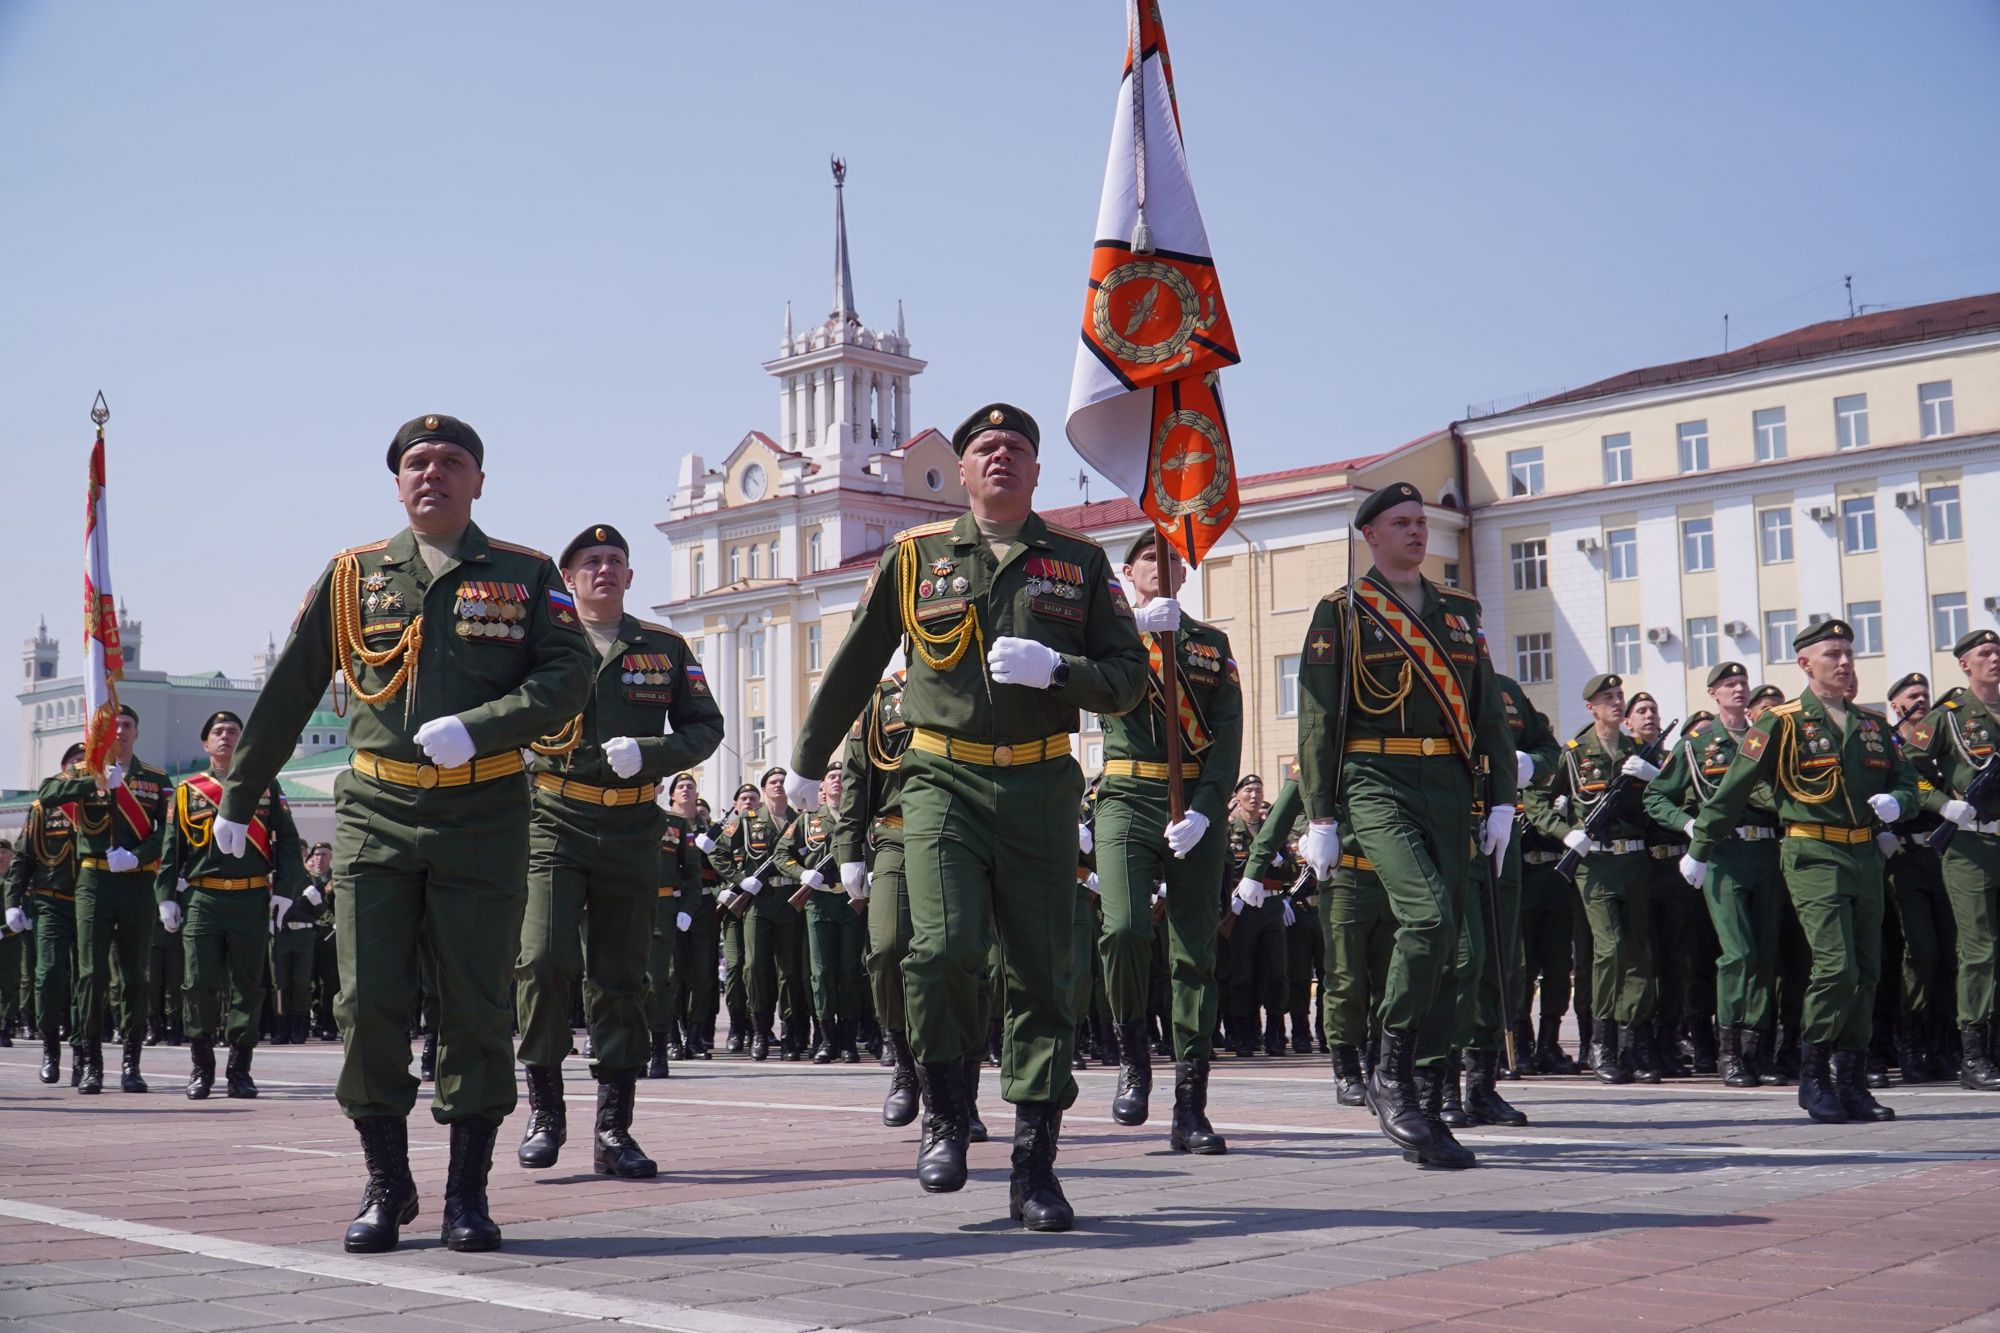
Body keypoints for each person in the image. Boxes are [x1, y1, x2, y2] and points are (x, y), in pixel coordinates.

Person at [214, 413, 593, 1252]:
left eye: (452, 461)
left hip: (484, 812)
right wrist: (240, 795)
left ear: (479, 482)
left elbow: (571, 675)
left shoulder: (527, 575)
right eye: (417, 462)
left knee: (477, 1005)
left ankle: (467, 1194)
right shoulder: (353, 577)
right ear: (396, 482)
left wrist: (488, 726)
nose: (434, 473)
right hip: (376, 813)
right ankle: (388, 1184)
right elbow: (291, 687)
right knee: (369, 1002)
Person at [787, 403, 1147, 1231]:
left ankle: (1036, 1164)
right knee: (940, 950)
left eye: (1017, 448)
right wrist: (809, 757)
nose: (1001, 459)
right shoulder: (915, 558)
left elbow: (1129, 679)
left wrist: (1061, 667)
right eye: (985, 448)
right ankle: (947, 1113)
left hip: (1041, 787)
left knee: (1046, 970)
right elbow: (855, 662)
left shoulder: (1080, 563)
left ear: (1035, 470)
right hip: (940, 781)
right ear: (964, 469)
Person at [1295, 481, 1516, 1170]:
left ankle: (1425, 1093)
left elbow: (1486, 710)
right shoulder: (1344, 612)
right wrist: (1321, 813)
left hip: (1449, 785)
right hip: (1376, 780)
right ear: (1371, 535)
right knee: (1425, 916)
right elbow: (1318, 718)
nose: (1418, 532)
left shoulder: (1460, 612)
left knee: (1458, 947)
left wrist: (1502, 795)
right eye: (1402, 522)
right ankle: (1388, 1067)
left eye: (1422, 522)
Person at [512, 523, 722, 1179]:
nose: (605, 568)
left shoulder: (663, 646)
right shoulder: (539, 646)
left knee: (622, 977)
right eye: (590, 561)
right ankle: (545, 1108)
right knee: (543, 959)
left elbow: (706, 725)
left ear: (631, 577)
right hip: (553, 816)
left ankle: (613, 1128)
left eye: (616, 560)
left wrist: (655, 754)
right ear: (569, 578)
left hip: (633, 826)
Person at [1683, 618, 1917, 1124]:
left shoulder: (1872, 724)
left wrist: (1898, 801)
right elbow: (1735, 789)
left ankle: (1852, 1082)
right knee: (1836, 968)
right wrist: (1700, 847)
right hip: (1812, 853)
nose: (1844, 661)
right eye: (1832, 653)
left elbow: (1909, 780)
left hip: (1863, 856)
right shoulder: (1781, 722)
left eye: (1849, 652)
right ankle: (1813, 1077)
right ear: (1805, 663)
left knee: (1868, 972)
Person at [1092, 531, 1237, 1153]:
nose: (1165, 565)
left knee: (1193, 955)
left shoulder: (1210, 644)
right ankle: (1132, 1055)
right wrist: (1136, 634)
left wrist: (1207, 810)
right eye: (1152, 556)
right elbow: (1087, 690)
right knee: (1124, 929)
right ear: (1128, 571)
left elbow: (1227, 735)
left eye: (1173, 558)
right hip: (1126, 797)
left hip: (1193, 809)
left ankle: (1191, 1103)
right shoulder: (1108, 638)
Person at [155, 710, 305, 1099]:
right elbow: (172, 849)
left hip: (251, 895)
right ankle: (201, 1066)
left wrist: (285, 891)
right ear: (205, 744)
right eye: (218, 732)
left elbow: (288, 842)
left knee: (248, 986)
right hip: (204, 897)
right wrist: (165, 896)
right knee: (198, 984)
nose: (226, 737)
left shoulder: (265, 786)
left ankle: (240, 1070)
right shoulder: (187, 791)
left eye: (233, 731)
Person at [1646, 663, 1783, 1086]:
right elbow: (1656, 795)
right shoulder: (1696, 746)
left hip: (1768, 851)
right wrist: (1688, 824)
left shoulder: (1771, 738)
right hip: (1724, 854)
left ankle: (1755, 1049)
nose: (1738, 690)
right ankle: (1729, 1054)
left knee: (1764, 955)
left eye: (1742, 683)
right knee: (1737, 953)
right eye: (1729, 685)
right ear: (1713, 694)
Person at [1535, 674, 1664, 1085]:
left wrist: (1654, 775)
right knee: (1610, 950)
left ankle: (1633, 1043)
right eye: (1607, 698)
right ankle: (1603, 1043)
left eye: (1618, 696)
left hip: (1635, 862)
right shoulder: (1573, 754)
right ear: (1590, 707)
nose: (1615, 702)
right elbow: (1535, 800)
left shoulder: (1636, 750)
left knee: (1639, 952)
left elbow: (1664, 801)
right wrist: (1565, 832)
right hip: (1595, 866)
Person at [43, 705, 171, 1095]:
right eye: (114, 726)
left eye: (127, 726)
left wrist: (139, 855)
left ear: (137, 732)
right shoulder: (87, 772)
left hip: (135, 880)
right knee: (91, 974)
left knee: (135, 975)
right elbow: (46, 793)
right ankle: (90, 1062)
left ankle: (131, 1063)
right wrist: (93, 783)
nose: (120, 732)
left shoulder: (155, 778)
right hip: (94, 879)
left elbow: (166, 831)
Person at [1903, 629, 2000, 1091]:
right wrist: (1944, 805)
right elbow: (1908, 772)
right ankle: (1974, 1053)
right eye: (1984, 652)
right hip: (1969, 846)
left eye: (1997, 651)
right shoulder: (1947, 717)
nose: (1994, 658)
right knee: (1979, 949)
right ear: (1964, 664)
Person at [838, 673, 920, 1124]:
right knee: (887, 948)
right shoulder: (883, 695)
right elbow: (856, 773)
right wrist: (848, 850)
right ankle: (905, 1066)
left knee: (965, 962)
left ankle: (958, 1087)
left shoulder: (979, 675)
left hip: (966, 835)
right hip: (899, 835)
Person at [1880, 672, 1954, 1083]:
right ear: (1895, 705)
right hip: (1906, 856)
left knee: (1948, 951)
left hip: (1944, 855)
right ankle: (1910, 1039)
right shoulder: (1893, 748)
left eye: (1925, 694)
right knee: (1919, 950)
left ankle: (1941, 1042)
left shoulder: (1944, 743)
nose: (1921, 701)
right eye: (1912, 696)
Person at [4, 744, 87, 1084]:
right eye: (74, 763)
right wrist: (12, 901)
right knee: (49, 976)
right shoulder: (43, 808)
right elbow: (23, 857)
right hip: (51, 901)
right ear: (63, 770)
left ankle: (83, 1051)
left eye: (87, 761)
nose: (81, 766)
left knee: (87, 980)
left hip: (89, 902)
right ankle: (51, 1047)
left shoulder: (104, 805)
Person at [778, 766, 865, 1063]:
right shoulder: (808, 820)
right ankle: (827, 1040)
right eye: (831, 778)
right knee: (821, 973)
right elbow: (780, 854)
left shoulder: (859, 816)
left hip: (853, 901)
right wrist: (803, 875)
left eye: (842, 778)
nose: (837, 781)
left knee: (851, 971)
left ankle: (849, 1041)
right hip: (820, 903)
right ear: (822, 787)